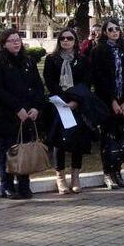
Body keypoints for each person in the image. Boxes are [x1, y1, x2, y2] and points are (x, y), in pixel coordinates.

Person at [0, 28, 46, 200]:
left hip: (28, 114)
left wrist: (36, 107)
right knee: (8, 150)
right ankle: (7, 185)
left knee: (24, 149)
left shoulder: (28, 61)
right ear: (3, 44)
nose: (16, 43)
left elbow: (38, 86)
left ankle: (24, 185)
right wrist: (17, 108)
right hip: (7, 114)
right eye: (11, 40)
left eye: (18, 39)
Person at [43, 28, 92, 194]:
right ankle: (60, 177)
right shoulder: (52, 59)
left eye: (69, 38)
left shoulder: (82, 60)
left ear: (75, 41)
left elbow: (85, 82)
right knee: (59, 141)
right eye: (62, 38)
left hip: (76, 105)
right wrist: (62, 100)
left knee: (77, 141)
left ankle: (76, 175)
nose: (66, 41)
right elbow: (50, 81)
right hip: (58, 105)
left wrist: (75, 101)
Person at [91, 19, 124, 189]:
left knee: (120, 136)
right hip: (106, 102)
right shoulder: (99, 51)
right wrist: (112, 101)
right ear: (105, 32)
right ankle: (107, 173)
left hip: (123, 101)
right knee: (107, 137)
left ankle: (117, 171)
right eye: (110, 29)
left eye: (117, 29)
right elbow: (99, 79)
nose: (114, 32)